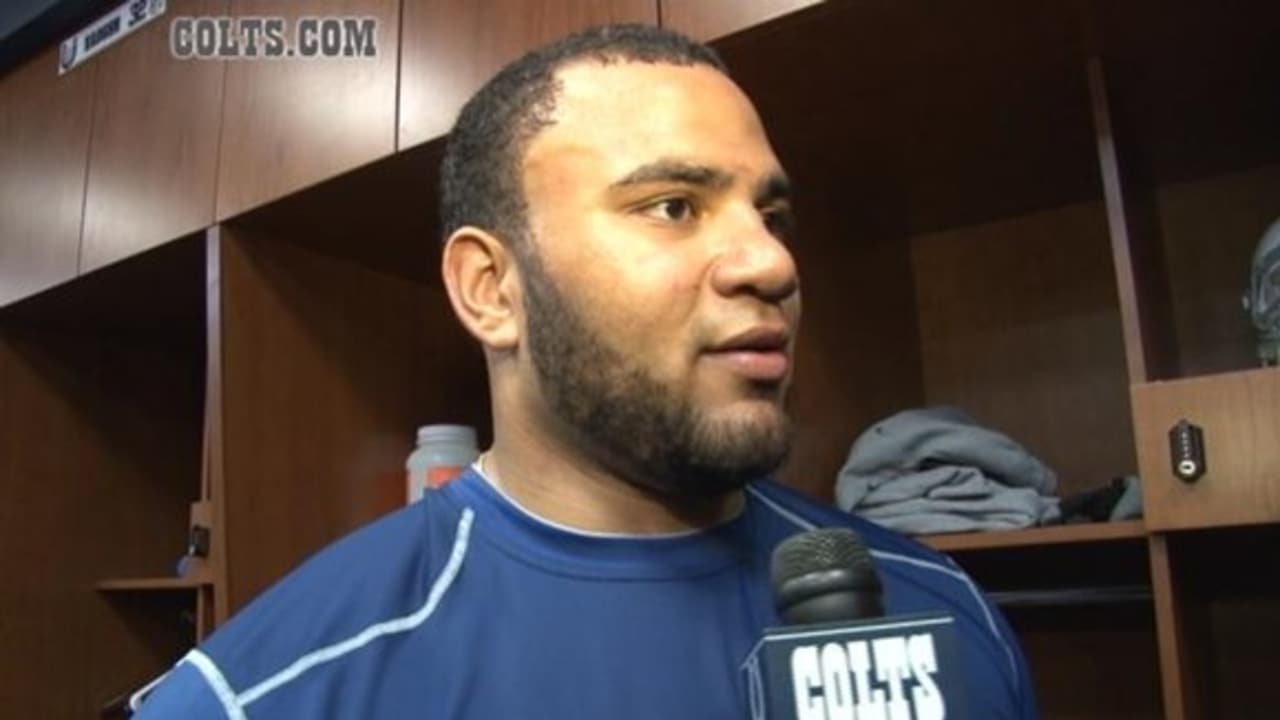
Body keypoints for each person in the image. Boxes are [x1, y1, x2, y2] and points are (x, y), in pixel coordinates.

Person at [131, 24, 1038, 718]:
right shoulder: (274, 691)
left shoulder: (940, 608)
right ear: (492, 290)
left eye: (772, 217)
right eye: (674, 206)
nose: (772, 264)